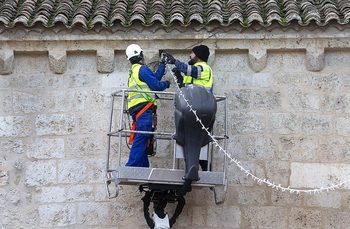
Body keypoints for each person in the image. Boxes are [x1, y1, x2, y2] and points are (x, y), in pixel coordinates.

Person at [163, 45, 213, 171]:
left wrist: (175, 62)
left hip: (201, 108)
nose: (190, 55)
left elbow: (191, 71)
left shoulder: (204, 68)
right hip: (192, 109)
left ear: (198, 56)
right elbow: (184, 88)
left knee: (197, 139)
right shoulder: (195, 70)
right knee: (189, 140)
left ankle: (204, 168)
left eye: (192, 53)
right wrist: (179, 76)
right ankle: (195, 168)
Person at [125, 44, 170, 167]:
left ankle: (144, 167)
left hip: (137, 109)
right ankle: (131, 166)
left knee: (144, 137)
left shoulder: (133, 71)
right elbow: (155, 85)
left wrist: (162, 65)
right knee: (142, 135)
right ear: (140, 55)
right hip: (143, 109)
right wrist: (166, 84)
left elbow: (153, 79)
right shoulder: (142, 69)